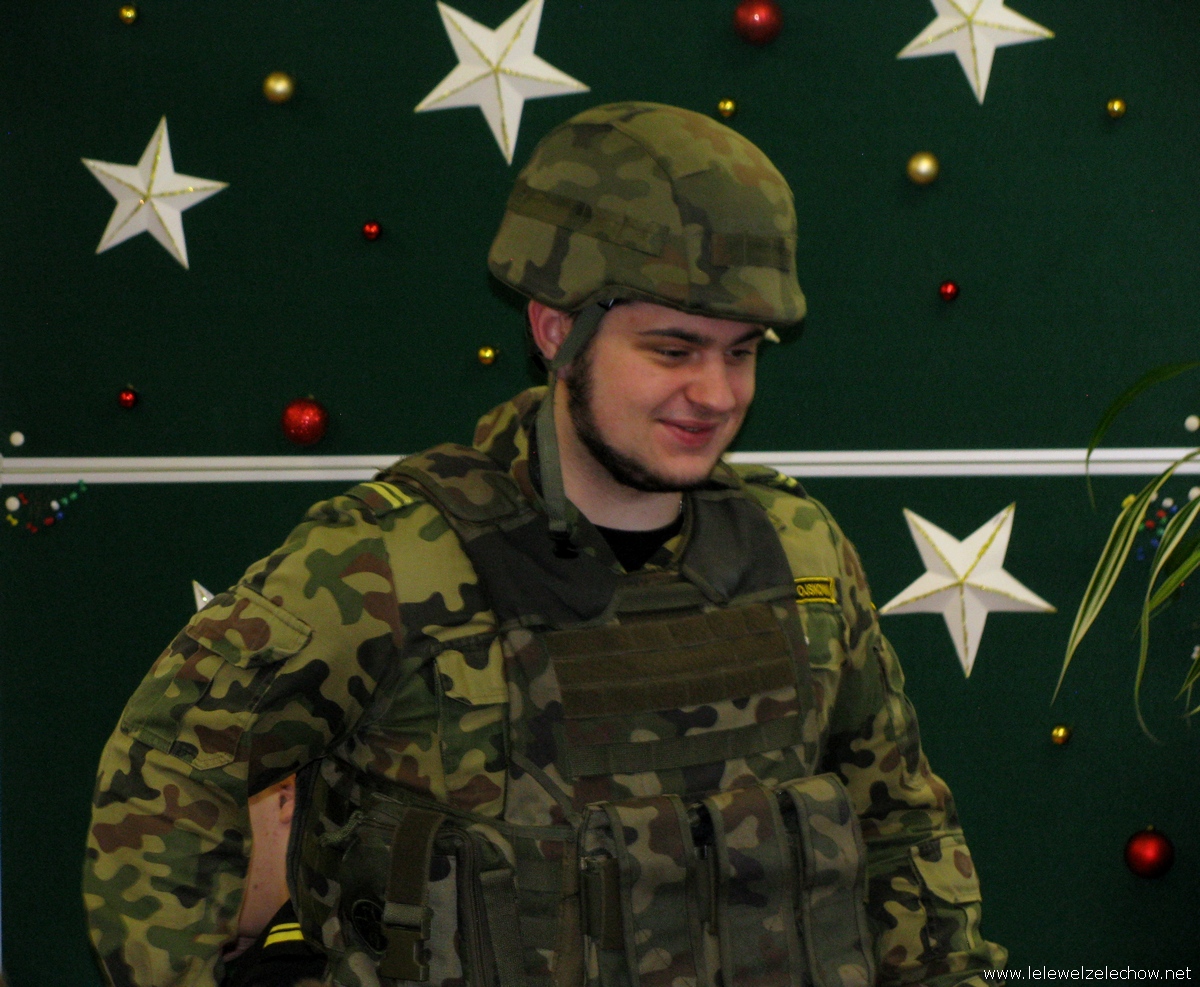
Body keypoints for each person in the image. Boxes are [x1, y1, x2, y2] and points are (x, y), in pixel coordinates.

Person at [83, 101, 1006, 987]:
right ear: (558, 329)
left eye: (743, 351)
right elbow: (165, 770)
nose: (717, 394)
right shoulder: (390, 560)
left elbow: (901, 825)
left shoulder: (799, 549)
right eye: (673, 349)